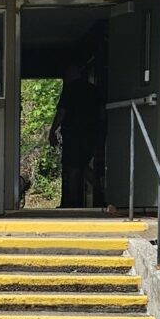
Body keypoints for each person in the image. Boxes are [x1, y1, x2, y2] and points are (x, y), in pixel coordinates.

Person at [48, 60, 104, 208]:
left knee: (72, 167)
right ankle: (102, 193)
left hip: (73, 134)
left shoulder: (70, 90)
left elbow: (62, 112)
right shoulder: (93, 90)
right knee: (83, 165)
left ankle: (72, 204)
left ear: (72, 74)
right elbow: (101, 112)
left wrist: (53, 131)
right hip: (91, 134)